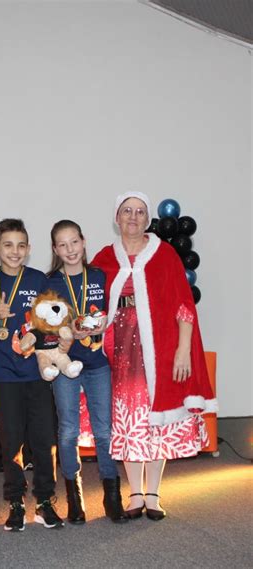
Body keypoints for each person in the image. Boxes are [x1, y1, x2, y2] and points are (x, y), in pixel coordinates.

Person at [91, 191, 217, 520]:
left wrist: (182, 350)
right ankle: (134, 493)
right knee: (128, 418)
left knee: (156, 417)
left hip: (159, 348)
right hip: (118, 349)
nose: (133, 217)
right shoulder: (104, 257)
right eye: (127, 211)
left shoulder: (165, 255)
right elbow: (89, 303)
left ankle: (154, 493)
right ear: (117, 218)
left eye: (140, 212)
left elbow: (183, 305)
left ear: (148, 220)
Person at [0, 218, 64, 531]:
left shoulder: (39, 280)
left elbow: (51, 323)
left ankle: (44, 501)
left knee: (43, 439)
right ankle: (15, 501)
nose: (15, 251)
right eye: (8, 245)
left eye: (21, 245)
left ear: (28, 249)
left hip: (37, 371)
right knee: (10, 441)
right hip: (3, 372)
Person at [47, 220, 128, 524]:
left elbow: (111, 311)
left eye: (74, 242)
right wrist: (68, 331)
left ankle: (112, 496)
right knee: (68, 431)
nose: (70, 250)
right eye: (62, 245)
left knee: (103, 430)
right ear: (55, 249)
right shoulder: (50, 281)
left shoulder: (99, 275)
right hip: (66, 363)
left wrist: (102, 322)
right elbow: (46, 325)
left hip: (97, 364)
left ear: (83, 241)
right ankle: (74, 496)